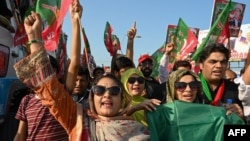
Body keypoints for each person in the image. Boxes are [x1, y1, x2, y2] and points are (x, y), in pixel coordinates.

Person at [14, 11, 149, 141]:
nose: (107, 95)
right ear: (92, 96)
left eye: (114, 91)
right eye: (100, 90)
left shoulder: (138, 131)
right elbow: (49, 87)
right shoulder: (78, 121)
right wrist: (35, 38)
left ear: (122, 98)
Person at [14, 1, 82, 140]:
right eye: (43, 69)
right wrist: (33, 36)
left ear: (56, 74)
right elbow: (20, 134)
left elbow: (74, 62)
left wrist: (75, 22)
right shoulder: (26, 101)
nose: (44, 73)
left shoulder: (62, 95)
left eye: (49, 70)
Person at [198, 43, 243, 118]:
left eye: (223, 62)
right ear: (201, 65)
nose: (219, 66)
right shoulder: (190, 87)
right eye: (213, 62)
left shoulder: (235, 89)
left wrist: (241, 116)